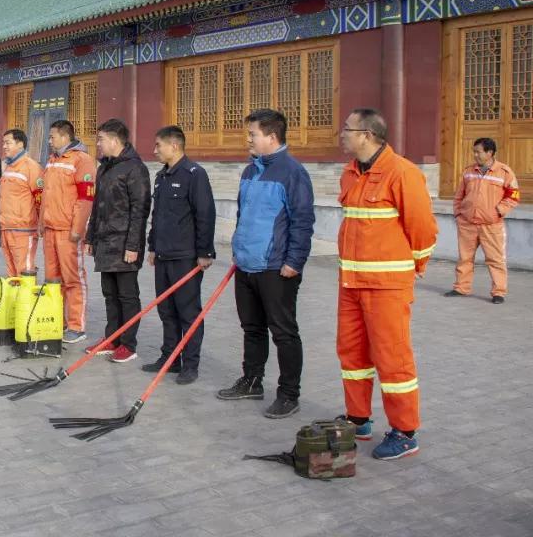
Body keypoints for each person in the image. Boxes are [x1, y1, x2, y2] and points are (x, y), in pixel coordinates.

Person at [337, 108, 438, 460]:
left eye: (348, 129)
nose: (342, 134)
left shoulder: (402, 173)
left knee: (392, 358)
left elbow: (423, 229)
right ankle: (358, 419)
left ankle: (405, 431)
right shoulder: (350, 173)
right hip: (351, 283)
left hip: (386, 287)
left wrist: (416, 265)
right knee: (352, 354)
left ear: (367, 135)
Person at [218, 108, 315, 419]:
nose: (248, 140)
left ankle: (288, 394)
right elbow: (244, 215)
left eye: (253, 134)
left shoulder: (292, 172)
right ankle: (252, 380)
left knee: (284, 332)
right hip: (246, 265)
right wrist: (238, 249)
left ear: (272, 137)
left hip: (277, 267)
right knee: (252, 328)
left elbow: (302, 221)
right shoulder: (250, 171)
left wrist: (294, 262)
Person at [144, 125, 216, 384]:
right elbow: (157, 215)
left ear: (174, 146)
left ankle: (190, 364)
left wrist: (205, 252)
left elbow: (205, 214)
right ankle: (170, 358)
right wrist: (153, 246)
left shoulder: (194, 174)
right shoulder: (161, 176)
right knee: (166, 310)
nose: (154, 150)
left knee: (188, 312)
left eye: (158, 145)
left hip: (185, 257)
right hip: (163, 255)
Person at [83, 119, 151, 364]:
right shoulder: (105, 167)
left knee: (127, 295)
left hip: (124, 243)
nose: (98, 144)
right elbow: (97, 206)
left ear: (114, 140)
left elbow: (140, 210)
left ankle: (128, 344)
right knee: (110, 294)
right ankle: (112, 338)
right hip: (105, 241)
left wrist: (133, 245)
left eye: (101, 139)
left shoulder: (135, 168)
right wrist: (90, 237)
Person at [40, 119, 96, 344]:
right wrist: (41, 223)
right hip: (50, 228)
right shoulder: (52, 160)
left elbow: (86, 199)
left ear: (64, 136)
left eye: (52, 136)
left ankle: (76, 326)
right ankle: (57, 320)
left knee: (73, 279)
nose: (49, 141)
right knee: (53, 279)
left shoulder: (82, 160)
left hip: (68, 231)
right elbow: (46, 195)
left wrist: (78, 228)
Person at [446, 137, 520, 304]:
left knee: (495, 259)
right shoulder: (468, 171)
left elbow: (513, 196)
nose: (475, 155)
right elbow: (459, 195)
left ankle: (498, 292)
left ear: (489, 152)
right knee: (464, 258)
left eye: (478, 152)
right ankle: (461, 288)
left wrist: (498, 211)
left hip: (491, 225)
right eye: (474, 151)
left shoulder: (505, 172)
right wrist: (458, 214)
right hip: (467, 224)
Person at [0, 129, 42, 276]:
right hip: (7, 226)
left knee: (24, 271)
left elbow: (40, 198)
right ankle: (15, 292)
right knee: (11, 272)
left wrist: (40, 224)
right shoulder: (9, 166)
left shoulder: (31, 167)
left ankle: (25, 293)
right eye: (3, 143)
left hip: (23, 229)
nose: (4, 146)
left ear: (20, 144)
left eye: (8, 143)